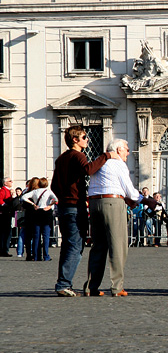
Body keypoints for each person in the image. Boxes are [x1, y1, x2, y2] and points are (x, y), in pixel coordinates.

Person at [51, 126, 117, 296]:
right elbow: (88, 169)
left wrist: (64, 197)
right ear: (75, 139)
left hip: (64, 206)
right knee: (75, 246)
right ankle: (63, 284)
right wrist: (106, 156)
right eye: (84, 136)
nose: (87, 139)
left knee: (67, 245)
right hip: (74, 206)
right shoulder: (77, 155)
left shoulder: (61, 158)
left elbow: (53, 186)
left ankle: (63, 283)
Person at [85, 139, 153, 297]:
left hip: (94, 203)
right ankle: (116, 287)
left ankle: (91, 287)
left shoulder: (99, 162)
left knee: (98, 246)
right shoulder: (117, 164)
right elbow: (129, 190)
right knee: (118, 246)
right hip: (113, 203)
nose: (128, 153)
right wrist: (145, 200)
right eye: (126, 149)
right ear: (117, 150)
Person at [21, 177, 58, 261]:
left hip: (37, 213)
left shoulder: (34, 192)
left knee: (36, 236)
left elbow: (23, 197)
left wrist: (33, 203)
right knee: (45, 235)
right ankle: (46, 255)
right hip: (46, 213)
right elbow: (56, 199)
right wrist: (49, 205)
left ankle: (36, 255)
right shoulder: (48, 191)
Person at [0, 177, 13, 257]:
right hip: (4, 213)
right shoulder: (3, 190)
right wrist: (5, 205)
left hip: (7, 213)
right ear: (5, 183)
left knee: (6, 232)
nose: (12, 182)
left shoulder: (7, 190)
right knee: (5, 232)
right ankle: (3, 250)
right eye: (10, 181)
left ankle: (4, 249)